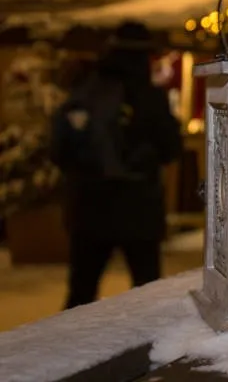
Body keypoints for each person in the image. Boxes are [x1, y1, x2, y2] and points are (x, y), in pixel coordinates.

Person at [50, 21, 183, 309]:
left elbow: (59, 152)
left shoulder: (85, 91)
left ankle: (65, 351)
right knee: (146, 294)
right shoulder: (150, 97)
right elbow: (171, 148)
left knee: (81, 293)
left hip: (89, 206)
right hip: (138, 207)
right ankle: (146, 350)